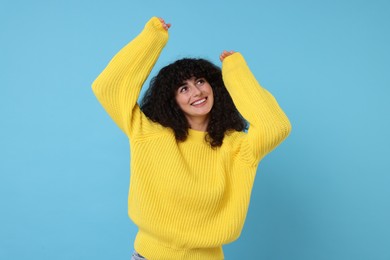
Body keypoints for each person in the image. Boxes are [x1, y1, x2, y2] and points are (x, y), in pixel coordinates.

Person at [92, 17, 291, 260]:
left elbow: (276, 126)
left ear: (214, 87)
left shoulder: (238, 147)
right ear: (172, 99)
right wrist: (152, 39)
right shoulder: (148, 134)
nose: (196, 92)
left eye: (200, 82)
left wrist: (235, 71)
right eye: (183, 88)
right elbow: (108, 87)